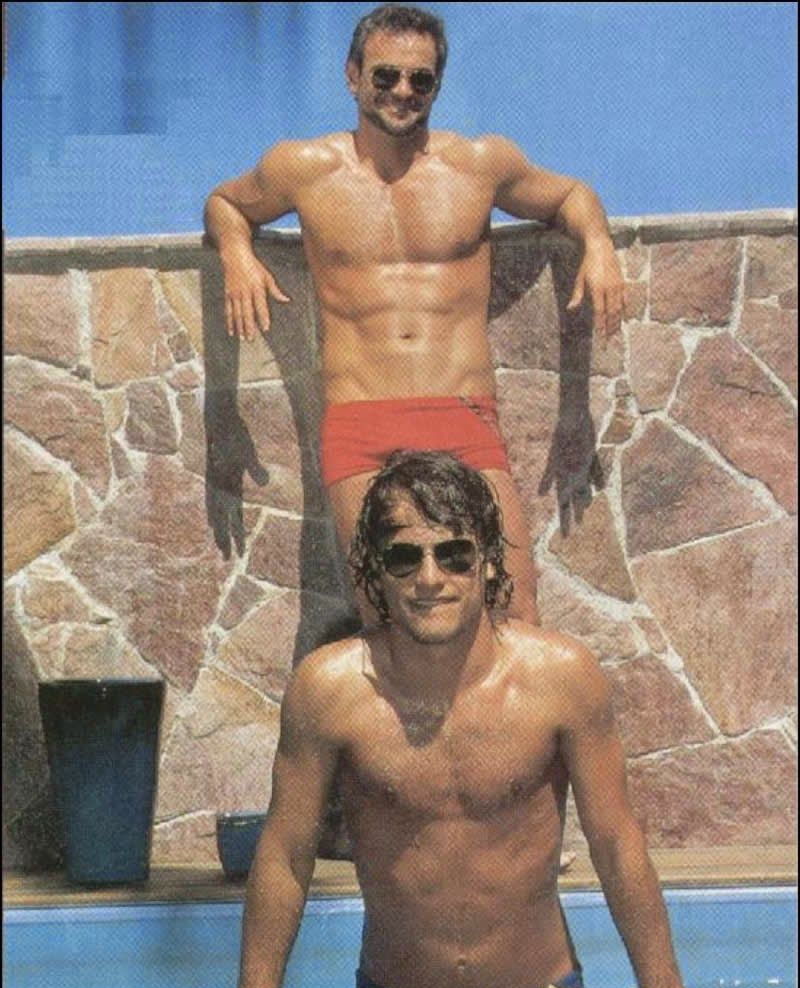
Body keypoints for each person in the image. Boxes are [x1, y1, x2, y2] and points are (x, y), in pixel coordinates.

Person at [179, 450, 729, 988]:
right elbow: (285, 850)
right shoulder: (330, 690)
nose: (430, 578)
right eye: (404, 557)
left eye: (454, 554)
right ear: (376, 569)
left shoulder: (561, 678)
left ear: (488, 560)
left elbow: (616, 840)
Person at [203, 3, 627, 626]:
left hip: (462, 414)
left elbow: (569, 194)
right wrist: (237, 254)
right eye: (385, 75)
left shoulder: (478, 164)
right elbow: (225, 203)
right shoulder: (304, 168)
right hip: (360, 423)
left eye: (420, 80)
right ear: (353, 75)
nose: (403, 91)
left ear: (437, 85)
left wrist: (598, 243)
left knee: (514, 607)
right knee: (385, 618)